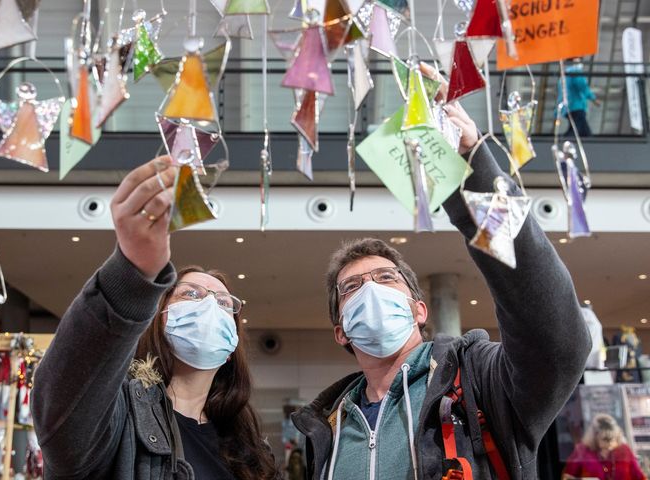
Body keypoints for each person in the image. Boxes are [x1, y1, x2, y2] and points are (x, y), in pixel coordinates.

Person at [291, 66, 591, 479]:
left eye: (386, 278)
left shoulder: (480, 382)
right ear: (341, 329)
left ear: (418, 310)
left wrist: (473, 167)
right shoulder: (326, 427)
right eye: (352, 288)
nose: (371, 292)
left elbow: (556, 337)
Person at [31, 158, 281, 479]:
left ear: (232, 342)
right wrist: (134, 272)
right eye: (190, 294)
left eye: (223, 303)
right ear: (160, 319)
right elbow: (62, 403)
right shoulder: (119, 420)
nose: (209, 308)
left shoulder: (250, 449)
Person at [563, 413, 646, 480]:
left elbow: (639, 476)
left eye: (613, 438)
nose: (610, 443)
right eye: (605, 439)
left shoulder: (624, 450)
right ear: (595, 437)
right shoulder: (582, 451)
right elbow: (567, 477)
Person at [558, 57, 601, 137]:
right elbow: (582, 86)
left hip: (568, 107)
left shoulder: (564, 75)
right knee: (576, 131)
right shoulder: (575, 72)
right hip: (577, 106)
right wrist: (593, 99)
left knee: (581, 130)